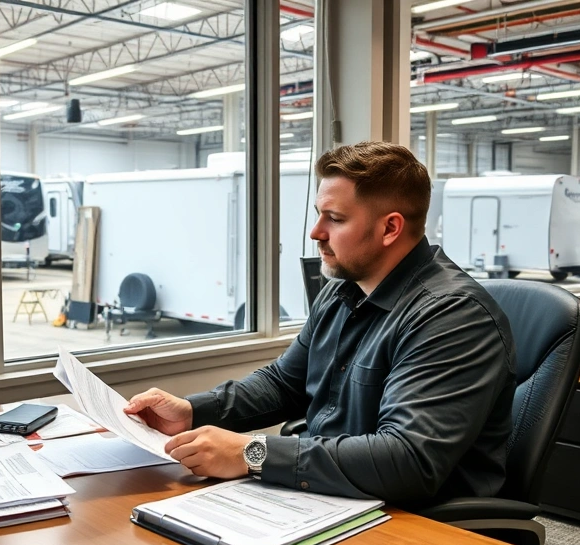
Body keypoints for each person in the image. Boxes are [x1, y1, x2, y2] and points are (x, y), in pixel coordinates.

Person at [124, 141, 516, 507]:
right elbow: (284, 383)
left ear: (390, 228)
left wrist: (251, 452)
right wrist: (192, 411)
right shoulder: (343, 289)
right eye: (318, 215)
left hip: (411, 519)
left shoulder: (451, 317)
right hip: (326, 495)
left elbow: (407, 460)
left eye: (335, 218)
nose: (316, 233)